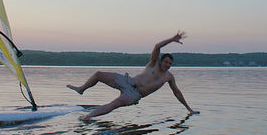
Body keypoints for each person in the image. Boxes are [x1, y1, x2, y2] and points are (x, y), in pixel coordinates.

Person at [67, 31, 198, 121]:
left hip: (135, 94)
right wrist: (172, 39)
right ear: (161, 61)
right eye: (166, 62)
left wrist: (189, 108)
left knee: (115, 103)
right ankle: (81, 89)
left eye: (170, 63)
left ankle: (88, 117)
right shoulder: (153, 64)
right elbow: (157, 46)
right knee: (98, 74)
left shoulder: (169, 77)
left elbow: (177, 93)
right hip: (127, 81)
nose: (168, 65)